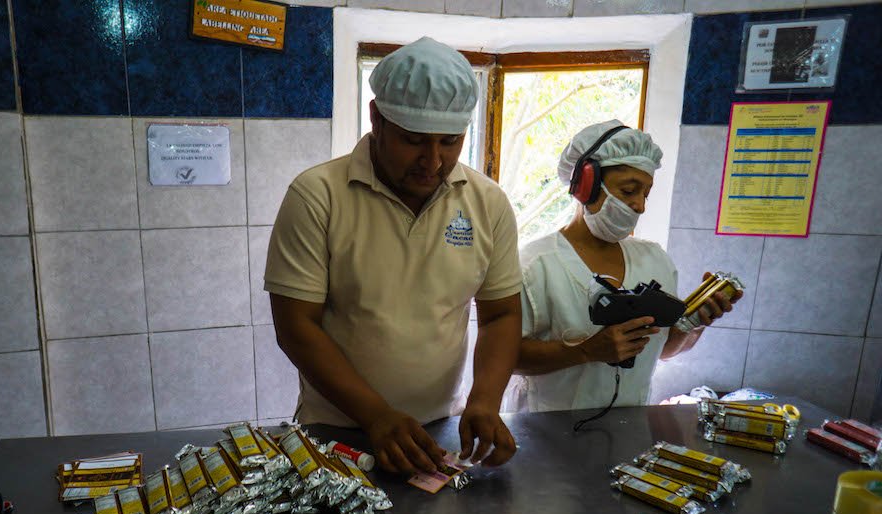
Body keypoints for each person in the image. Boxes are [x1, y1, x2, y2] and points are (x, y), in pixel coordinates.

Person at [264, 37, 522, 474]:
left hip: (440, 426)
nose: (434, 161)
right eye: (414, 141)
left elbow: (500, 315)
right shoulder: (318, 197)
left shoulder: (487, 204)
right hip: (338, 430)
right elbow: (295, 327)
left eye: (451, 141)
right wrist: (376, 416)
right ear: (376, 119)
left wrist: (484, 401)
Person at [512, 119, 742, 412]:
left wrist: (696, 322)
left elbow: (664, 349)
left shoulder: (655, 261)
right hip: (545, 432)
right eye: (629, 190)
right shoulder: (536, 265)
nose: (640, 206)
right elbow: (506, 357)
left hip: (626, 429)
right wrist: (585, 352)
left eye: (645, 193)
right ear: (586, 186)